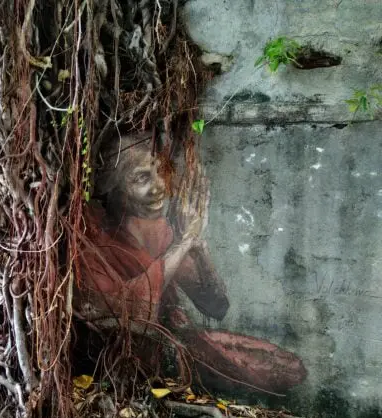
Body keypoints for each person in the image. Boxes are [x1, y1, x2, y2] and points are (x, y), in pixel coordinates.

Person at [76, 132, 306, 394]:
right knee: (253, 381)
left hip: (175, 343)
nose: (160, 185)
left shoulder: (160, 230)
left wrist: (197, 244)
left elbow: (215, 306)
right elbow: (125, 312)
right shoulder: (90, 237)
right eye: (141, 178)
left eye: (158, 171)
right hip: (125, 365)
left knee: (281, 366)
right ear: (112, 190)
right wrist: (184, 242)